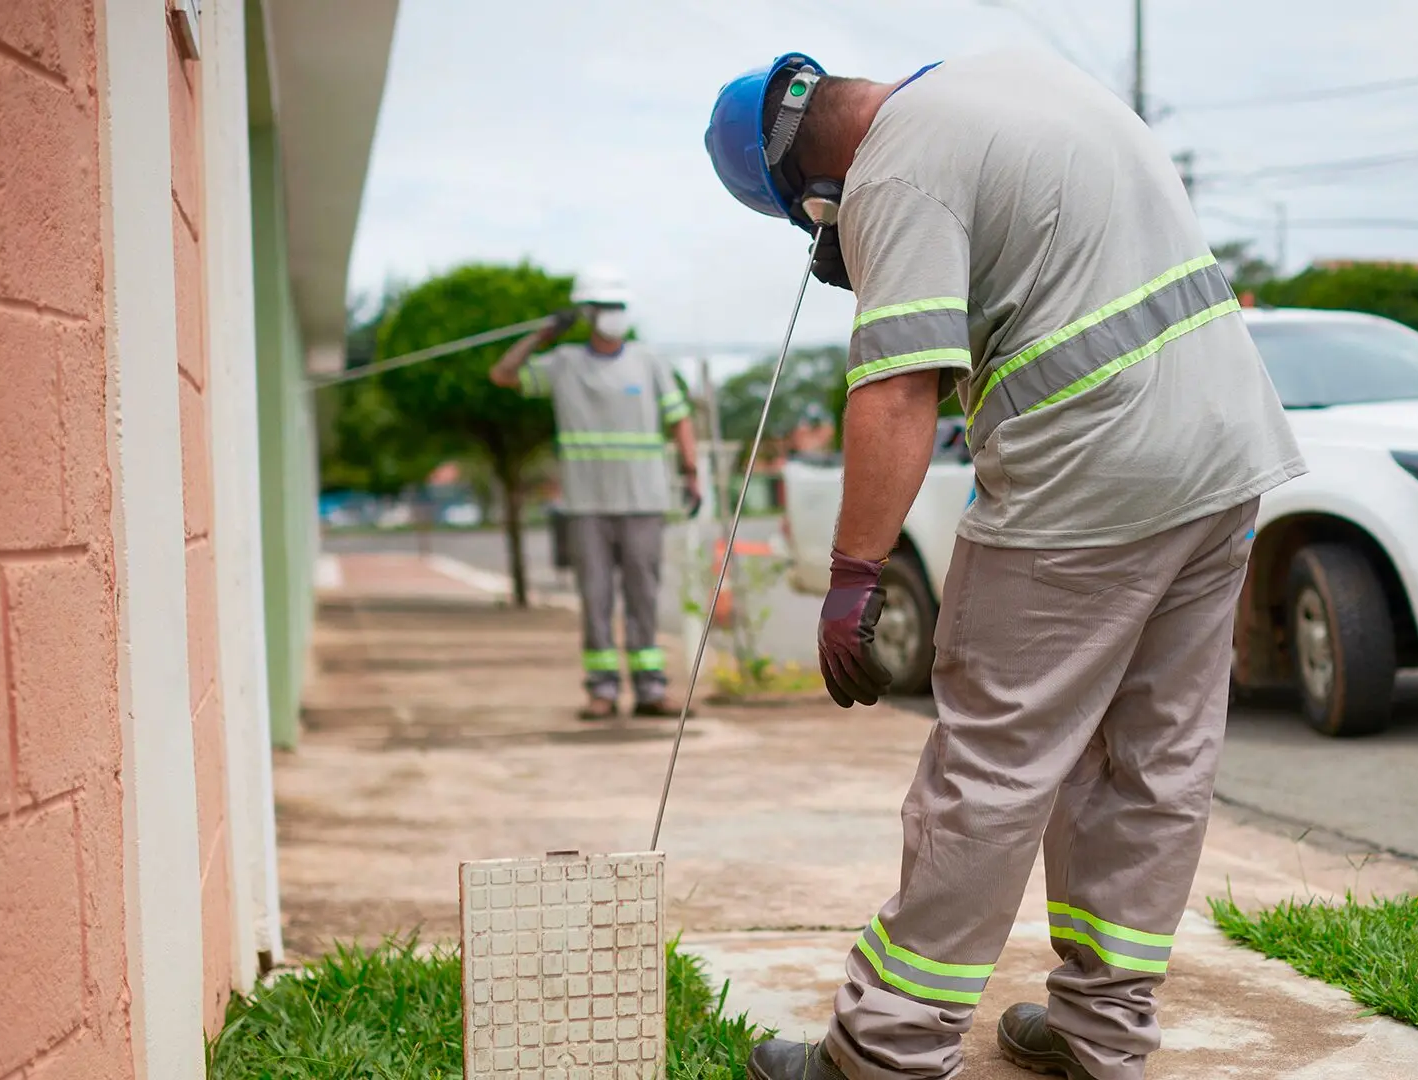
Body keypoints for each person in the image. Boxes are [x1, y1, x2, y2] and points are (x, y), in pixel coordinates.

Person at [703, 49, 1306, 1080]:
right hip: (1226, 457)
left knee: (990, 768)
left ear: (812, 193)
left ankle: (886, 1053)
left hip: (1091, 478)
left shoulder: (893, 170)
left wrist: (855, 576)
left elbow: (898, 386)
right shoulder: (1014, 78)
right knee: (1153, 760)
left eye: (813, 224)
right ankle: (1103, 1036)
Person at [490, 272, 701, 719]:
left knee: (644, 597)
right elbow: (503, 375)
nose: (615, 316)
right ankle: (601, 691)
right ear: (586, 314)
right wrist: (541, 335)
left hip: (644, 502)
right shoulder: (564, 362)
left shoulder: (649, 361)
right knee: (596, 598)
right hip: (586, 506)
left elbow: (680, 419)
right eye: (605, 307)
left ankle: (650, 690)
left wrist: (691, 473)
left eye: (620, 306)